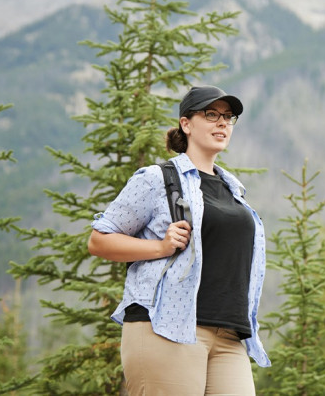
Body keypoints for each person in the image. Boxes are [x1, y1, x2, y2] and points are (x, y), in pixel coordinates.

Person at [88, 85, 269, 395]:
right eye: (211, 114)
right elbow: (99, 240)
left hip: (229, 335)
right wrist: (159, 247)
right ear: (186, 124)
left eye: (228, 117)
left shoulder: (233, 189)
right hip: (166, 328)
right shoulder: (157, 179)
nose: (222, 123)